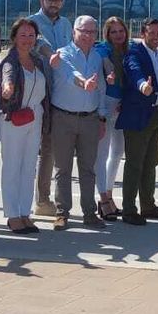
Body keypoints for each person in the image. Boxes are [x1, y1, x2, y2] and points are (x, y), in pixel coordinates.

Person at [48, 15, 108, 230]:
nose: (88, 36)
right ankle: (62, 213)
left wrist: (101, 117)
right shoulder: (63, 53)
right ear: (74, 32)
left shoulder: (97, 57)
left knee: (88, 169)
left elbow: (101, 88)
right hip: (63, 118)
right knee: (62, 168)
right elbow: (69, 74)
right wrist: (84, 83)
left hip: (90, 119)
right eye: (84, 31)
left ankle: (89, 213)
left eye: (92, 32)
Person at [117, 18, 158, 224]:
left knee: (151, 163)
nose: (156, 37)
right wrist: (142, 86)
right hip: (138, 116)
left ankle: (148, 206)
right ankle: (129, 210)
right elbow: (134, 71)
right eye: (151, 33)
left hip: (156, 114)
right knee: (135, 164)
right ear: (142, 35)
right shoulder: (134, 53)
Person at [0, 18, 49, 234]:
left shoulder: (37, 61)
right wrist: (7, 88)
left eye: (31, 35)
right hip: (14, 118)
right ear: (14, 38)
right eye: (23, 35)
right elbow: (7, 77)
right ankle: (12, 215)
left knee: (29, 167)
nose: (27, 39)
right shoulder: (9, 62)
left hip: (35, 117)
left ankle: (24, 213)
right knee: (12, 166)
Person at [28, 0, 72, 220]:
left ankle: (45, 200)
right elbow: (39, 43)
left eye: (57, 0)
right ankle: (34, 201)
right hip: (37, 95)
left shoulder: (66, 24)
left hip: (61, 94)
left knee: (51, 149)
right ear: (41, 0)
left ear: (62, 2)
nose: (53, 3)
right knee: (33, 149)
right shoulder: (31, 23)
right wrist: (51, 55)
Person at [94, 17, 128, 220]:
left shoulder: (128, 51)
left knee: (117, 153)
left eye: (120, 31)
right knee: (102, 153)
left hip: (122, 106)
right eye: (113, 32)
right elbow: (97, 80)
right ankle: (103, 198)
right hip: (105, 105)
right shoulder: (101, 52)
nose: (118, 35)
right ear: (107, 34)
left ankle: (108, 193)